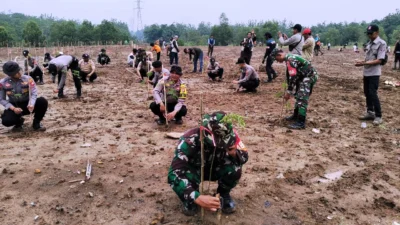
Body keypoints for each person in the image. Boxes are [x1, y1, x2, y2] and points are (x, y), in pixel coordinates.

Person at [168, 111, 248, 216]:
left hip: (216, 168)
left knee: (235, 167)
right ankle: (191, 198)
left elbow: (244, 157)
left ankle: (223, 194)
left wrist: (234, 153)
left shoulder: (230, 135)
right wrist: (196, 196)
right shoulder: (189, 140)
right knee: (186, 184)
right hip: (195, 171)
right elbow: (173, 174)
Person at [270, 49, 319, 130]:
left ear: (279, 55)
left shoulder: (290, 60)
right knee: (298, 95)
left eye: (276, 59)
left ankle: (301, 122)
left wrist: (289, 92)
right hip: (303, 77)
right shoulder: (289, 58)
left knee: (302, 98)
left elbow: (293, 76)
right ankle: (296, 116)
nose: (277, 61)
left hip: (309, 77)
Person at [1, 61, 48, 132]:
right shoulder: (3, 83)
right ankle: (19, 123)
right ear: (10, 74)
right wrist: (13, 108)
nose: (19, 73)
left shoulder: (28, 79)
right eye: (16, 73)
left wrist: (31, 103)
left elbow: (34, 93)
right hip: (14, 106)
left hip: (28, 104)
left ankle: (36, 123)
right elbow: (1, 99)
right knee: (6, 121)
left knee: (42, 101)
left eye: (19, 70)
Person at [355, 24, 387, 126]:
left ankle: (378, 116)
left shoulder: (381, 43)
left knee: (373, 93)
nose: (369, 35)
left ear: (377, 33)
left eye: (371, 33)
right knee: (367, 92)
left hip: (374, 73)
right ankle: (370, 112)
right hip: (367, 72)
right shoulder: (369, 43)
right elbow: (368, 59)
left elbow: (379, 60)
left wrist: (364, 63)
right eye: (368, 33)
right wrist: (361, 62)